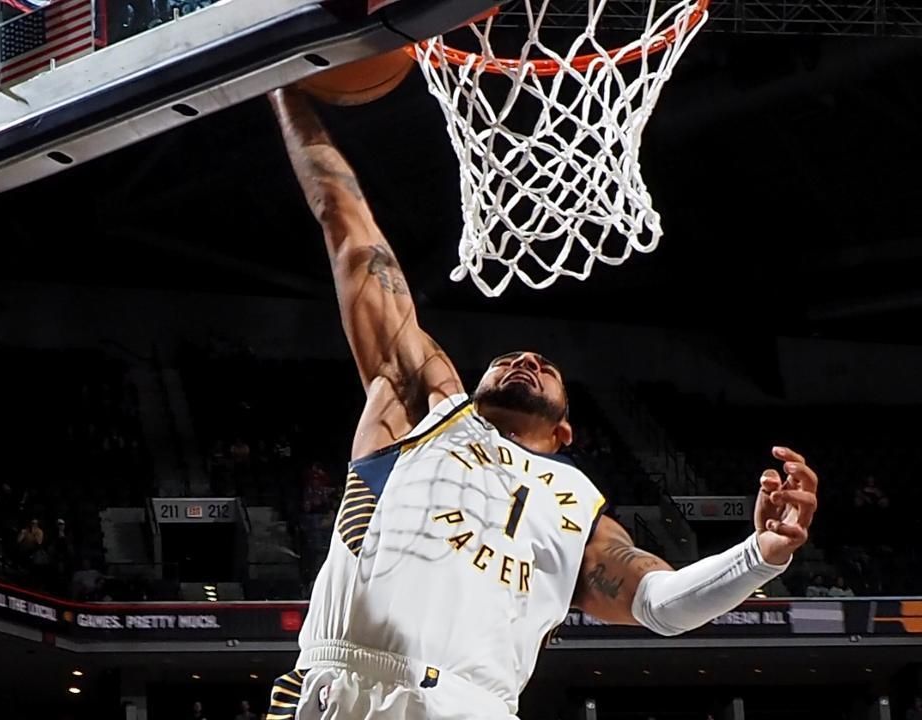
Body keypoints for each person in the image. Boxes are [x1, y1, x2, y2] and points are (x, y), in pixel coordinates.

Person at [265, 87, 820, 720]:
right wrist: (285, 87)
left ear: (565, 434)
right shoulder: (426, 405)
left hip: (475, 706)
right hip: (343, 681)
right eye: (508, 360)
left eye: (545, 366)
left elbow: (661, 605)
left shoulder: (577, 505)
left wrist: (760, 556)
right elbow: (349, 229)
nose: (525, 361)